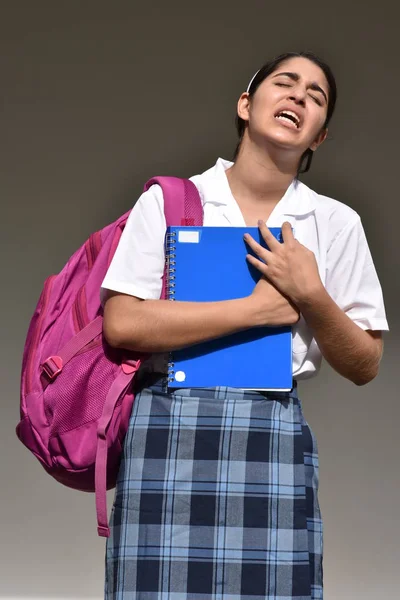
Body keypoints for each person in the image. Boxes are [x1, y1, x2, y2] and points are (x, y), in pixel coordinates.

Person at [100, 51, 388, 599]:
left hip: (271, 430)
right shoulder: (171, 201)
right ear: (245, 103)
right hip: (166, 430)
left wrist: (311, 295)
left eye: (317, 96)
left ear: (320, 137)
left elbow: (365, 363)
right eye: (286, 83)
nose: (300, 96)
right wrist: (257, 310)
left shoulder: (335, 223)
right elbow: (122, 322)